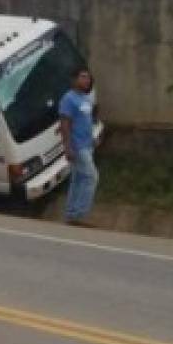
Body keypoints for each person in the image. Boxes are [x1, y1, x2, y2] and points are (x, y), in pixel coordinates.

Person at [60, 67, 98, 227]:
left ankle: (71, 214)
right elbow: (65, 124)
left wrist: (93, 138)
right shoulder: (68, 99)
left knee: (78, 179)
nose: (86, 80)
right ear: (74, 79)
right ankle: (79, 215)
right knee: (91, 177)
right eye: (83, 77)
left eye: (88, 77)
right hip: (77, 146)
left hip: (87, 144)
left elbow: (86, 121)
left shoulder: (86, 98)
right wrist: (67, 147)